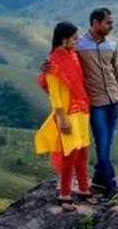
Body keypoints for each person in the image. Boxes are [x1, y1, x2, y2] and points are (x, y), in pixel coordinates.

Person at [41, 7, 118, 201]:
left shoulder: (111, 45)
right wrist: (46, 67)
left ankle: (92, 182)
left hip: (105, 102)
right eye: (108, 23)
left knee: (97, 147)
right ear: (95, 23)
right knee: (98, 145)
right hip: (93, 104)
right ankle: (109, 185)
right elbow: (56, 74)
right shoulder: (78, 48)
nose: (111, 26)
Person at [34, 22, 97, 212]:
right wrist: (61, 117)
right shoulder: (53, 62)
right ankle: (65, 194)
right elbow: (54, 93)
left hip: (82, 112)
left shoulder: (74, 56)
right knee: (70, 154)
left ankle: (85, 190)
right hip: (67, 114)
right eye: (74, 38)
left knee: (83, 153)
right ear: (64, 40)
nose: (77, 41)